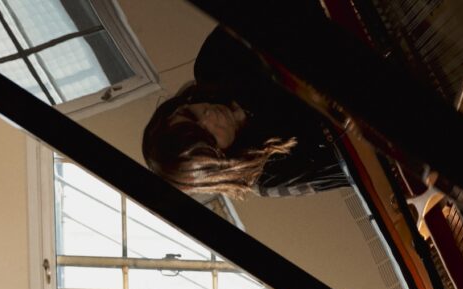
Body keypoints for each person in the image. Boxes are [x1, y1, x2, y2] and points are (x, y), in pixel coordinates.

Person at [142, 27, 351, 199]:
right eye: (207, 135)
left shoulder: (213, 62)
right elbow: (357, 168)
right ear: (216, 165)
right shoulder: (269, 175)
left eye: (191, 114)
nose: (208, 116)